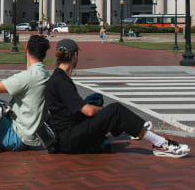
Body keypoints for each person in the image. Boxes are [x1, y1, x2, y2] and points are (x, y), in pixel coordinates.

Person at [45, 39, 190, 158]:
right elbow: (88, 111)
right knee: (115, 110)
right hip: (68, 138)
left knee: (102, 104)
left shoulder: (59, 78)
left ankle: (135, 128)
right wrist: (104, 111)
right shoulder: (61, 81)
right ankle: (161, 144)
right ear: (75, 55)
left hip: (68, 133)